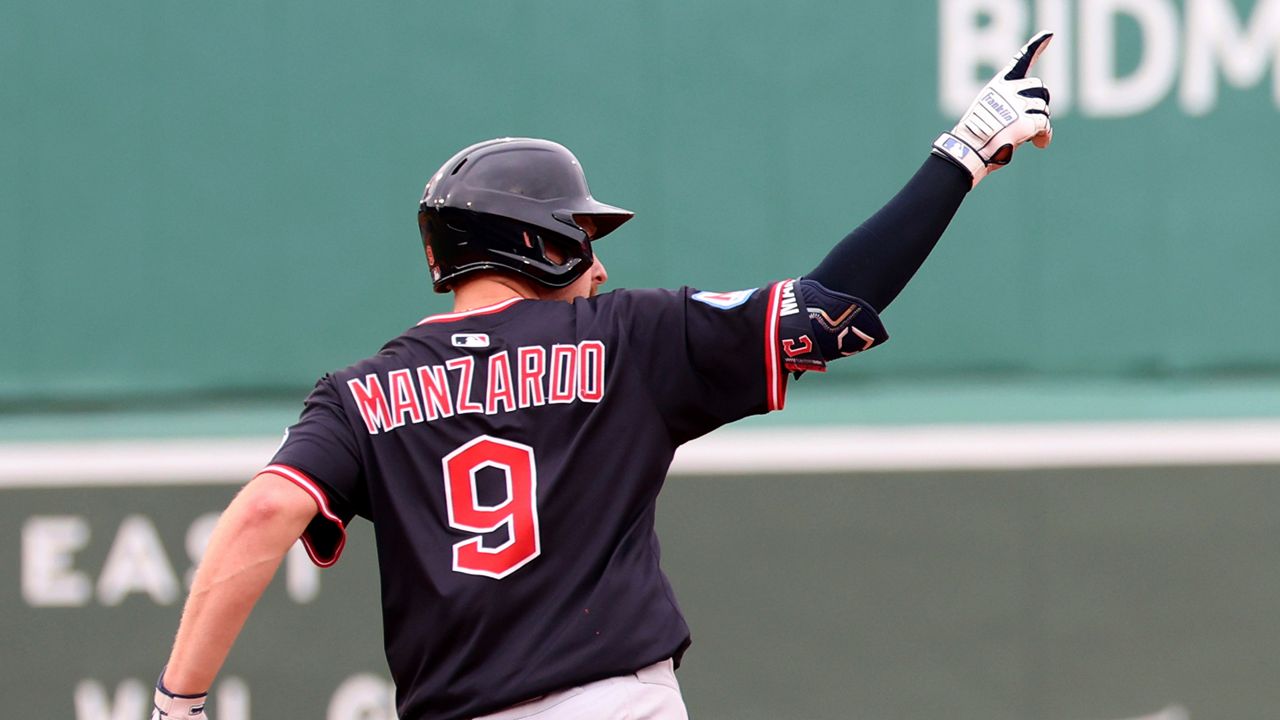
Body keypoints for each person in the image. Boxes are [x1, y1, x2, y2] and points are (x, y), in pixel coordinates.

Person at [151, 32, 1055, 720]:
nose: (598, 266)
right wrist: (962, 156)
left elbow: (265, 513)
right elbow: (829, 310)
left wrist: (178, 705)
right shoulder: (626, 337)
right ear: (534, 241)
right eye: (579, 239)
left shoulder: (356, 394)